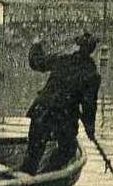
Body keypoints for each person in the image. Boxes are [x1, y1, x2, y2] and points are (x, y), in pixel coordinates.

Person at [20, 31, 102, 175]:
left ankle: (27, 180)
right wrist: (90, 129)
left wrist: (36, 45)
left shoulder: (62, 60)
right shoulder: (92, 74)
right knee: (68, 149)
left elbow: (37, 62)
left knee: (33, 155)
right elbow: (89, 106)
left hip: (41, 112)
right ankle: (46, 177)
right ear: (93, 50)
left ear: (78, 46)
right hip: (63, 118)